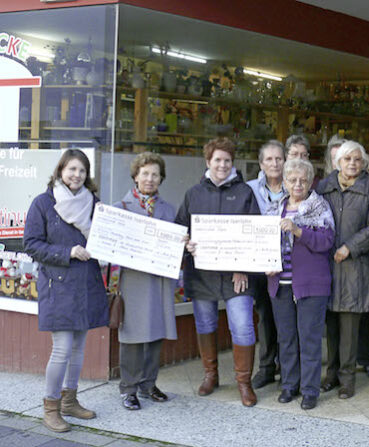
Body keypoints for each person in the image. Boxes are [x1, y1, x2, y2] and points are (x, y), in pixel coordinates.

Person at [23, 149, 108, 433]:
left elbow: (105, 238)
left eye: (82, 171)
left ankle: (70, 400)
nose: (77, 175)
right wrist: (67, 251)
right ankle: (51, 406)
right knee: (61, 349)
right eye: (72, 169)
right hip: (58, 285)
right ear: (60, 170)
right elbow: (32, 244)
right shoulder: (43, 203)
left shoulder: (94, 204)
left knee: (79, 348)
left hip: (86, 283)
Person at [176, 137, 261, 407]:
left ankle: (243, 383)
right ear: (208, 162)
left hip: (237, 276)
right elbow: (180, 229)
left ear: (232, 163)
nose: (222, 165)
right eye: (217, 160)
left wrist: (242, 268)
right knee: (205, 325)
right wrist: (185, 242)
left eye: (227, 160)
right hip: (202, 274)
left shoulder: (246, 192)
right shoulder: (194, 194)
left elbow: (254, 234)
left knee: (243, 328)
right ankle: (210, 375)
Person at [317, 140, 369, 399]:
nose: (352, 164)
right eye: (347, 159)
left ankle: (347, 378)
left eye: (357, 159)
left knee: (349, 326)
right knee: (331, 325)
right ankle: (331, 374)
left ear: (364, 162)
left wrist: (349, 247)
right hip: (327, 267)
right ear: (338, 163)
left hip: (355, 266)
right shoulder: (325, 187)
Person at [265, 159, 335, 410]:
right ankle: (289, 385)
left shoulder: (319, 206)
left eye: (303, 180)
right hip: (280, 283)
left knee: (309, 339)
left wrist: (298, 231)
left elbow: (326, 242)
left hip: (311, 284)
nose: (298, 184)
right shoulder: (275, 208)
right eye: (292, 180)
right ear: (284, 182)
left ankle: (309, 390)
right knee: (286, 338)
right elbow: (262, 242)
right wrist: (265, 262)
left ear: (310, 182)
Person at [114, 152, 177, 410]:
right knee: (131, 335)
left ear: (161, 178)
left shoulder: (168, 210)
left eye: (155, 174)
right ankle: (128, 388)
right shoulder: (120, 209)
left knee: (155, 331)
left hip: (160, 279)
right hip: (133, 280)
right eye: (145, 173)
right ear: (135, 176)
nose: (150, 179)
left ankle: (148, 383)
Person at [247, 140, 286, 389]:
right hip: (260, 265)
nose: (274, 163)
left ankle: (288, 366)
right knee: (265, 316)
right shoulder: (249, 189)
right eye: (269, 159)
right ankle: (266, 367)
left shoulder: (294, 185)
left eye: (278, 159)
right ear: (261, 164)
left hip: (288, 263)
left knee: (286, 318)